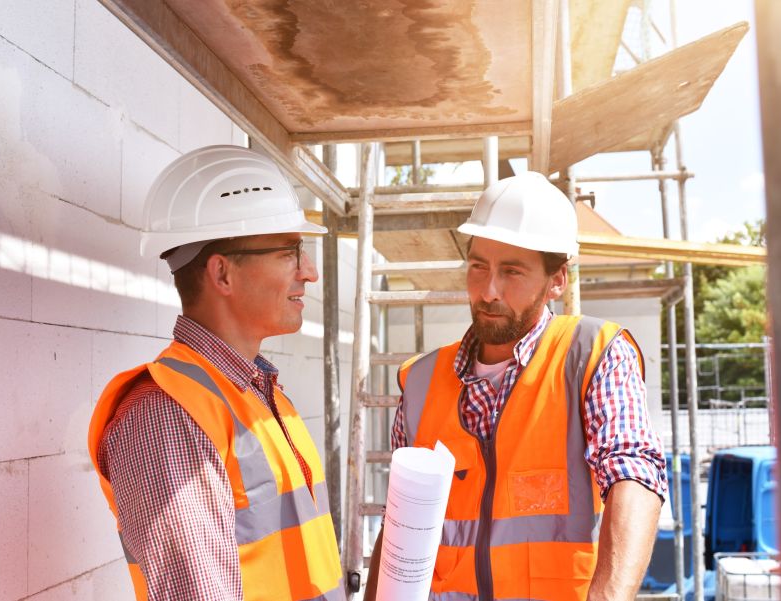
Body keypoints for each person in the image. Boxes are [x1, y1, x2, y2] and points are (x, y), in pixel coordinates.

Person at [366, 171, 668, 601]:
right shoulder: (421, 380)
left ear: (557, 279)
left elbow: (634, 474)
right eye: (478, 267)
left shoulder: (592, 356)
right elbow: (398, 525)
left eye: (512, 272)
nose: (488, 290)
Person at [88, 145, 344, 601]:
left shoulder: (260, 394)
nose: (309, 272)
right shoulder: (165, 416)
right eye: (290, 252)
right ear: (222, 273)